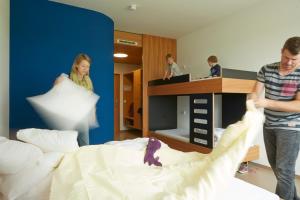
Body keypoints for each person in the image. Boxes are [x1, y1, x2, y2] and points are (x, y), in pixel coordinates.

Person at [251, 36, 300, 200]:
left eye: (294, 59)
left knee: (284, 170)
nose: (289, 62)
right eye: (286, 57)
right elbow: (254, 92)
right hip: (269, 124)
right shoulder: (266, 69)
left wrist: (266, 102)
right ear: (281, 51)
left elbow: (298, 105)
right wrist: (251, 101)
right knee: (277, 167)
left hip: (291, 126)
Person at [55, 53, 95, 146]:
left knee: (84, 143)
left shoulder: (88, 81)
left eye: (88, 66)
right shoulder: (68, 77)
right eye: (83, 66)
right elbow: (56, 86)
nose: (85, 69)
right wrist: (61, 79)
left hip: (82, 115)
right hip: (68, 115)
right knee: (67, 143)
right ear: (76, 65)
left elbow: (90, 96)